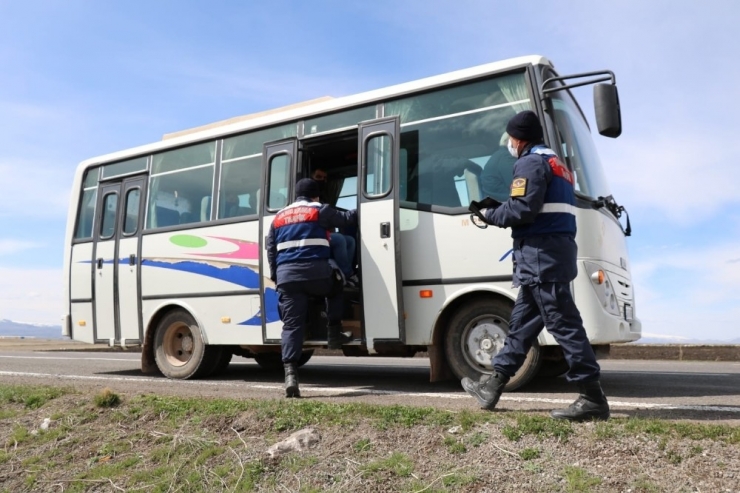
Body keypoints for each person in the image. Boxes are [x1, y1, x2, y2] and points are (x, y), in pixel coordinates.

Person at [461, 110, 610, 422]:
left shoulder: (530, 162)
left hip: (541, 256)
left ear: (517, 139)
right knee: (521, 326)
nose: (510, 145)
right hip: (550, 253)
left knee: (563, 324)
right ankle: (493, 385)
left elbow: (522, 209)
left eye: (510, 139)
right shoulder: (559, 165)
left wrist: (489, 215)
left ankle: (593, 398)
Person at [266, 178, 357, 398]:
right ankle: (334, 333)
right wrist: (365, 206)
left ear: (296, 196)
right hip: (316, 274)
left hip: (288, 278)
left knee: (291, 326)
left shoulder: (278, 217)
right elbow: (345, 220)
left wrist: (276, 276)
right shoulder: (319, 210)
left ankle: (290, 376)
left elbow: (270, 248)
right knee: (337, 286)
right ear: (315, 196)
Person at [311, 167, 359, 287]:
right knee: (339, 239)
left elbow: (340, 219)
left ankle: (347, 272)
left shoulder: (324, 199)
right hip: (312, 236)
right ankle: (347, 274)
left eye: (324, 178)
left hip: (324, 234)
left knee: (350, 240)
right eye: (318, 177)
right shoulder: (309, 200)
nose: (322, 181)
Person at [479, 131, 517, 202]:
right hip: (504, 204)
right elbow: (518, 186)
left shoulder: (500, 155)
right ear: (508, 142)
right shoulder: (506, 157)